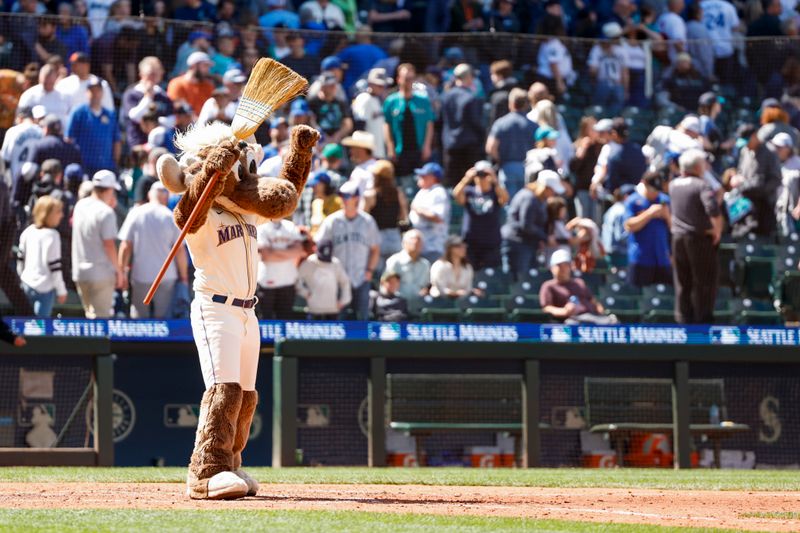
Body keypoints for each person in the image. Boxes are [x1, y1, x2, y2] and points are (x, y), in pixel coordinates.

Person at [118, 182, 188, 319]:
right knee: (163, 319)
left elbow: (125, 246)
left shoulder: (136, 213)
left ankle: (138, 341)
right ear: (165, 197)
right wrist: (184, 277)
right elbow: (180, 251)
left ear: (150, 194)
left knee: (139, 318)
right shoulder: (170, 216)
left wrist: (122, 272)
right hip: (166, 277)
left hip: (141, 276)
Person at [670, 149, 723, 324]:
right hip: (699, 239)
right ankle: (703, 323)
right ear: (698, 166)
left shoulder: (673, 184)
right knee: (704, 282)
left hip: (677, 239)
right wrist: (716, 231)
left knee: (683, 282)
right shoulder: (701, 185)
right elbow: (713, 209)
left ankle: (684, 320)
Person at [315, 180, 381, 321]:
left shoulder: (368, 221)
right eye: (342, 196)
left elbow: (375, 249)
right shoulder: (331, 221)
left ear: (356, 198)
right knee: (338, 319)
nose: (343, 200)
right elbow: (319, 246)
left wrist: (369, 270)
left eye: (347, 196)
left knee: (362, 318)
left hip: (361, 276)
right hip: (338, 278)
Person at [71, 170, 123, 319]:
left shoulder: (80, 205)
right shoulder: (106, 212)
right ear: (110, 190)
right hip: (101, 274)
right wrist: (119, 271)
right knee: (100, 321)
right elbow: (109, 245)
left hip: (80, 274)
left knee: (90, 317)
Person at [502, 169, 564, 280]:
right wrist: (546, 238)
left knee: (529, 278)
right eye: (552, 189)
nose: (553, 193)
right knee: (520, 279)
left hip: (528, 244)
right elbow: (526, 225)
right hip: (518, 244)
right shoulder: (529, 198)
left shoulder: (539, 199)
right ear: (545, 187)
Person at [17, 195, 67, 317]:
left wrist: (22, 279)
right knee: (40, 329)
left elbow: (20, 263)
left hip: (26, 285)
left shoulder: (27, 232)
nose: (62, 215)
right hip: (45, 290)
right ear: (47, 214)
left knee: (26, 325)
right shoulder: (53, 235)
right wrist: (61, 290)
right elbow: (55, 267)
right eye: (58, 212)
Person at [453, 160, 509, 270]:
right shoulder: (469, 191)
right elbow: (456, 195)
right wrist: (466, 178)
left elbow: (505, 199)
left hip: (491, 241)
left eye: (484, 174)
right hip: (471, 240)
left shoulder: (495, 192)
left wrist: (495, 180)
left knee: (491, 272)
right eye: (479, 174)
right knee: (470, 270)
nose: (481, 177)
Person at [540, 249, 618, 325]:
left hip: (592, 316)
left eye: (566, 265)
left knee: (613, 322)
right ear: (552, 268)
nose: (563, 269)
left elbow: (592, 300)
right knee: (572, 325)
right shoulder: (548, 286)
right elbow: (546, 308)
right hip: (571, 319)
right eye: (559, 266)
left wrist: (601, 312)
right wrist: (564, 311)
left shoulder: (579, 282)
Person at [383, 63, 435, 177]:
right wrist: (390, 147)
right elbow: (387, 125)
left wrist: (427, 146)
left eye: (411, 79)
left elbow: (429, 124)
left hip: (418, 149)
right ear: (399, 79)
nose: (408, 82)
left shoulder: (423, 100)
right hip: (400, 149)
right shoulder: (391, 101)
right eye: (406, 79)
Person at [623, 172, 673, 287]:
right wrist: (649, 214)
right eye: (653, 190)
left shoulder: (665, 200)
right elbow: (629, 226)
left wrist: (667, 216)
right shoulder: (633, 201)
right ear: (644, 184)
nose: (655, 193)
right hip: (641, 258)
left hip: (662, 257)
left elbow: (674, 229)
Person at [485, 88, 536, 198]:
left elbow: (490, 147)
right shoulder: (534, 126)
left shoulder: (501, 123)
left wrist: (500, 159)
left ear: (511, 104)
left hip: (507, 167)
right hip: (528, 169)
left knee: (508, 205)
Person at [65, 77, 120, 176]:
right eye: (92, 91)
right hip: (84, 167)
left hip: (106, 166)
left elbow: (116, 140)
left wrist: (115, 162)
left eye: (98, 90)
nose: (95, 94)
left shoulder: (110, 115)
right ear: (87, 92)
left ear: (102, 92)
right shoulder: (79, 113)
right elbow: (69, 138)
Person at [441, 63, 485, 187]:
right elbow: (476, 123)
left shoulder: (445, 97)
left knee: (452, 185)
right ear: (469, 77)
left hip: (450, 146)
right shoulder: (470, 98)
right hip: (468, 149)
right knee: (469, 184)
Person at [734, 123, 782, 236]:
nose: (746, 145)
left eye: (748, 141)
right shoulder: (745, 151)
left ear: (755, 136)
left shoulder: (770, 152)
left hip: (764, 207)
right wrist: (738, 180)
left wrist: (757, 188)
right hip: (745, 205)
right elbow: (740, 172)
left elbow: (776, 179)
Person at [256, 217, 306, 320]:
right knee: (266, 321)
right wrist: (288, 252)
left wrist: (273, 251)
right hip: (266, 282)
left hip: (288, 282)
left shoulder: (290, 226)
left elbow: (298, 251)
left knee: (285, 321)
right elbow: (266, 256)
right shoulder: (261, 226)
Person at [362, 160, 408, 268]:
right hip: (394, 237)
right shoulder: (398, 193)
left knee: (377, 274)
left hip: (376, 238)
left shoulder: (370, 195)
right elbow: (403, 216)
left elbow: (363, 219)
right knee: (394, 273)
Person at [122, 57, 174, 149]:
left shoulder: (163, 95)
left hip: (161, 146)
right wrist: (148, 97)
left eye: (156, 74)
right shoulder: (132, 93)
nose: (153, 78)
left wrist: (157, 122)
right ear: (141, 74)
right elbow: (134, 116)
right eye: (150, 74)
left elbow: (172, 119)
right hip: (139, 146)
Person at [296, 240, 352, 320]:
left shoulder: (336, 263)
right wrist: (305, 293)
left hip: (332, 309)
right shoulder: (309, 263)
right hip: (314, 309)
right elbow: (296, 280)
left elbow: (345, 282)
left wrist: (344, 300)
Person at [409, 162, 450, 263]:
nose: (420, 177)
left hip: (433, 247)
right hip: (421, 245)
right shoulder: (423, 191)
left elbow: (437, 217)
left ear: (433, 177)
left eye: (423, 175)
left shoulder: (438, 192)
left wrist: (418, 210)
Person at [588, 22, 629, 116]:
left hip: (607, 84)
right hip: (611, 84)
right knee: (606, 114)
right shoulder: (598, 49)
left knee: (603, 114)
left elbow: (625, 72)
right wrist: (626, 90)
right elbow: (592, 71)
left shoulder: (620, 50)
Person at [351, 68, 390, 159]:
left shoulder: (377, 99)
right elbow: (360, 127)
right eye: (379, 85)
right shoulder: (364, 98)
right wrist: (364, 152)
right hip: (368, 152)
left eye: (383, 86)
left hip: (378, 151)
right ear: (370, 83)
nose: (382, 88)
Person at [700, 0, 740, 86]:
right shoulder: (728, 6)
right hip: (725, 48)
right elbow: (735, 27)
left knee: (708, 82)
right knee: (725, 82)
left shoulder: (701, 5)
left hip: (706, 49)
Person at [308, 72, 353, 145]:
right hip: (317, 142)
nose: (334, 87)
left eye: (334, 85)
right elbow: (310, 121)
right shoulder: (313, 102)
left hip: (337, 142)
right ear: (322, 87)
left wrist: (336, 136)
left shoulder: (341, 103)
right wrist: (323, 137)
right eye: (330, 85)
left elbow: (348, 124)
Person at [385, 229, 431, 301]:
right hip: (397, 304)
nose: (416, 241)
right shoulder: (394, 261)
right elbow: (387, 286)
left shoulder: (425, 264)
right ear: (404, 243)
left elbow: (426, 286)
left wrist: (425, 291)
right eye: (413, 239)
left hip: (419, 304)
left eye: (419, 239)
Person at [167, 51, 215, 116]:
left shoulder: (208, 86)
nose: (207, 70)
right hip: (183, 125)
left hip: (204, 124)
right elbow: (175, 108)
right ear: (193, 66)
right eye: (205, 66)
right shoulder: (177, 83)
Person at [772, 132, 800, 236]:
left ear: (788, 148)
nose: (776, 150)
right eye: (775, 147)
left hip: (792, 212)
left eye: (779, 147)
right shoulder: (773, 162)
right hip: (776, 209)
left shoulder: (797, 163)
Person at [342, 130, 377, 196]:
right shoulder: (363, 168)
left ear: (361, 149)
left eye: (353, 147)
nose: (350, 151)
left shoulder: (370, 170)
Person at [308, 172, 343, 236]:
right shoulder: (316, 203)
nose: (313, 188)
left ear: (325, 185)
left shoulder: (338, 202)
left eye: (315, 185)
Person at [488, 59, 518, 125]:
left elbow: (494, 119)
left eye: (493, 74)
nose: (491, 77)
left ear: (500, 76)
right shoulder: (518, 90)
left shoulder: (497, 95)